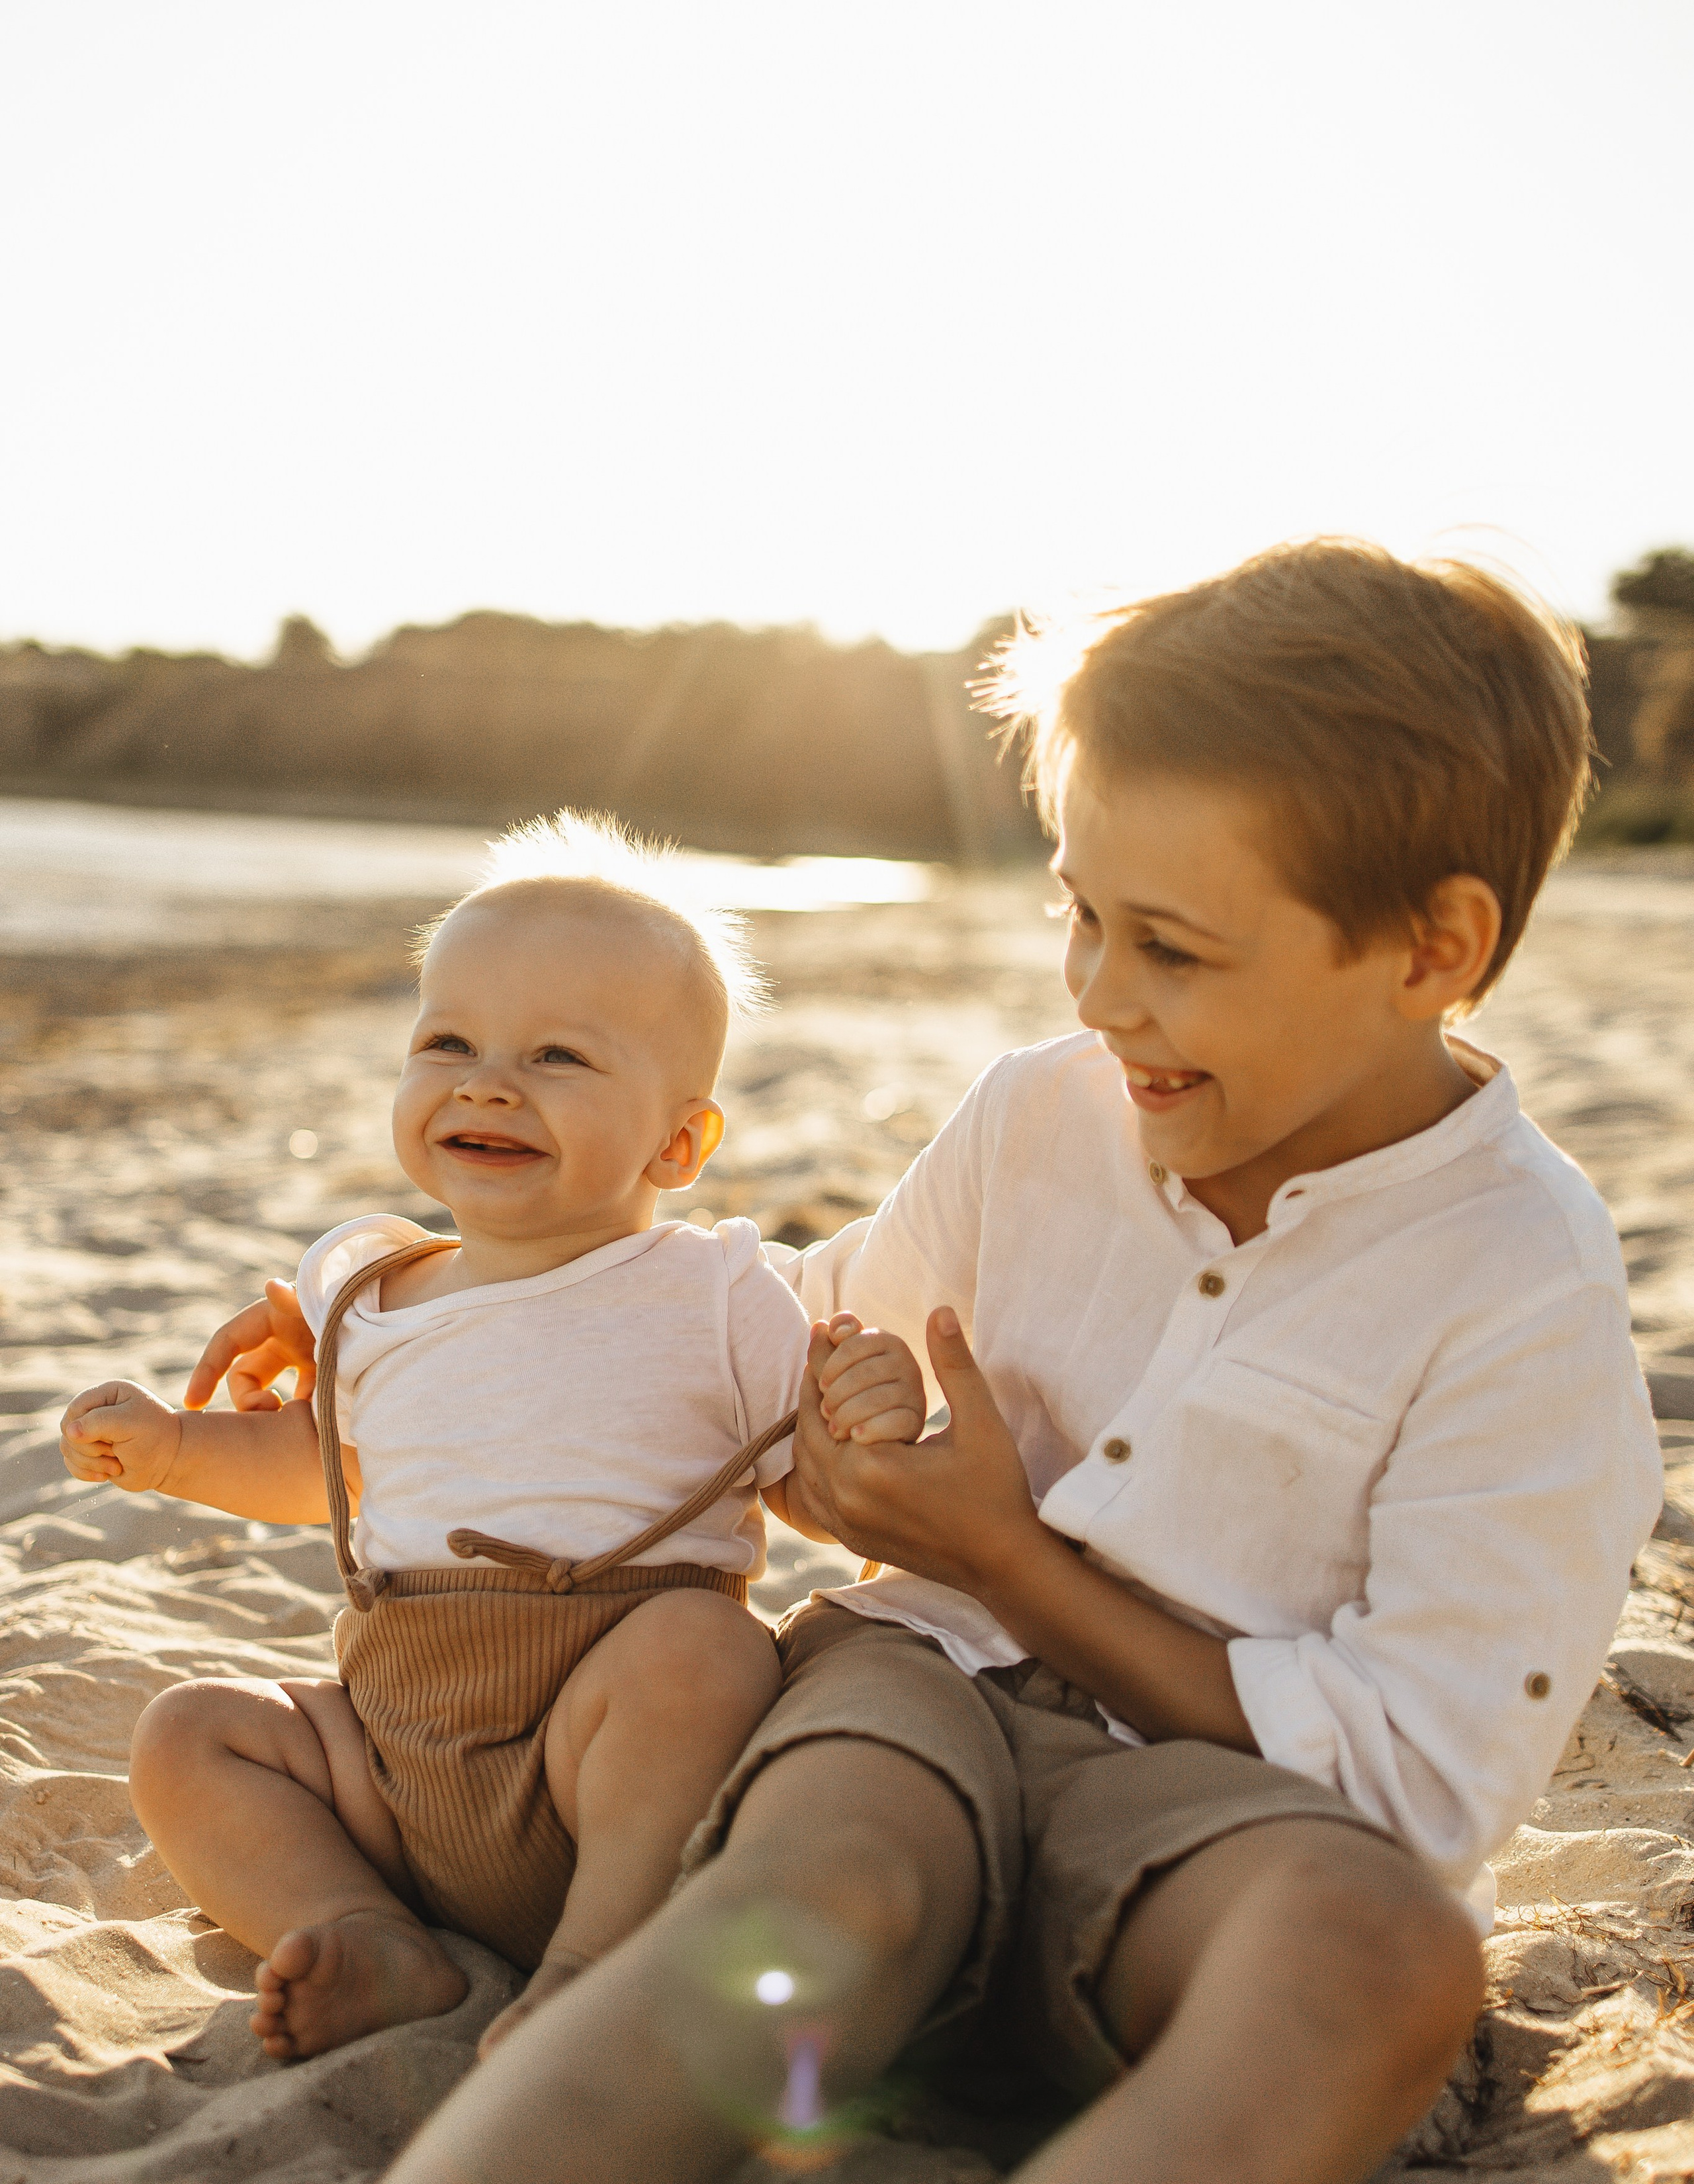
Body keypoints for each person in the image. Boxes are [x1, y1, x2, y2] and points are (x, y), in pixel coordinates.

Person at [359, 541, 1662, 2184]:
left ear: (1428, 949)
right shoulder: (1038, 1112)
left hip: (1209, 1812)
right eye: (1078, 914)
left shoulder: (1519, 1282)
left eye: (1170, 948)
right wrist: (421, 1304)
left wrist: (1008, 1556)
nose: (1098, 995)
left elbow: (1410, 1779)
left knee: (1381, 1951)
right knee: (817, 1894)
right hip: (907, 1693)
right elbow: (773, 1348)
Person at [58, 817, 923, 2066]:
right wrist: (176, 1448)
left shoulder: (719, 1292)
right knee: (190, 1733)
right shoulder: (370, 1288)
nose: (486, 1084)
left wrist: (865, 1417)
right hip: (391, 1752)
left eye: (557, 1055)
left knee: (707, 1649)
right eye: (447, 1043)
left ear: (678, 1143)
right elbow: (329, 1472)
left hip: (601, 1757)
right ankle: (363, 1929)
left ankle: (588, 1964)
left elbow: (816, 1497)